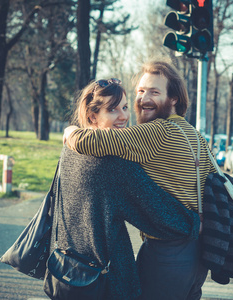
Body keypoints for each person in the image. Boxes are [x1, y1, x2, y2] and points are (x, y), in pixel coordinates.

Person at [64, 59, 216, 300]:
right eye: (141, 91)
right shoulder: (195, 136)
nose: (144, 99)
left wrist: (70, 131)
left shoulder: (157, 132)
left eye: (154, 92)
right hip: (198, 256)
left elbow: (90, 141)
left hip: (168, 252)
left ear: (173, 98)